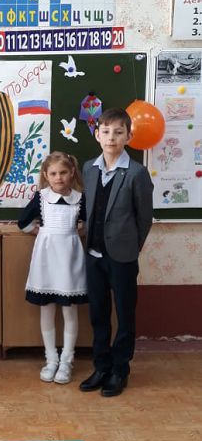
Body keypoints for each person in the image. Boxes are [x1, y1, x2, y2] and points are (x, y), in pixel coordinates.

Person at [79, 107, 154, 398]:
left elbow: (144, 218)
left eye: (118, 132)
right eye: (106, 131)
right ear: (97, 135)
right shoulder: (89, 168)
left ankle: (120, 370)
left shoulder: (137, 173)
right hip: (94, 255)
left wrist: (131, 248)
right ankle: (101, 366)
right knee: (98, 314)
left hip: (122, 257)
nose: (111, 137)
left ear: (128, 137)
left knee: (124, 314)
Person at [18, 151, 87, 385]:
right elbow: (23, 222)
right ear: (46, 175)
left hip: (69, 259)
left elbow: (88, 222)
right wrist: (40, 231)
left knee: (69, 310)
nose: (59, 178)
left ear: (72, 173)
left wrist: (79, 231)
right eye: (54, 173)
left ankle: (67, 360)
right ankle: (51, 359)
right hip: (46, 258)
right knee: (46, 309)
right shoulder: (41, 197)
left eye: (63, 172)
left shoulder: (80, 199)